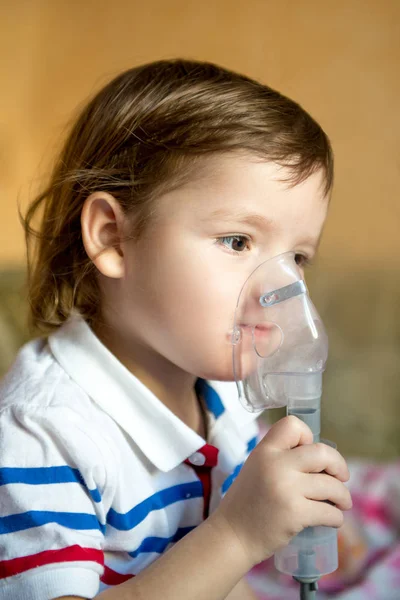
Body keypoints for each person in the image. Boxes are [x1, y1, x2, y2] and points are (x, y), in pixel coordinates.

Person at [0, 59, 352, 600]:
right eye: (237, 242)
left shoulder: (229, 398)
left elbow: (211, 584)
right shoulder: (41, 433)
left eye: (298, 257)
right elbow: (219, 549)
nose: (282, 291)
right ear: (114, 239)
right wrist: (237, 533)